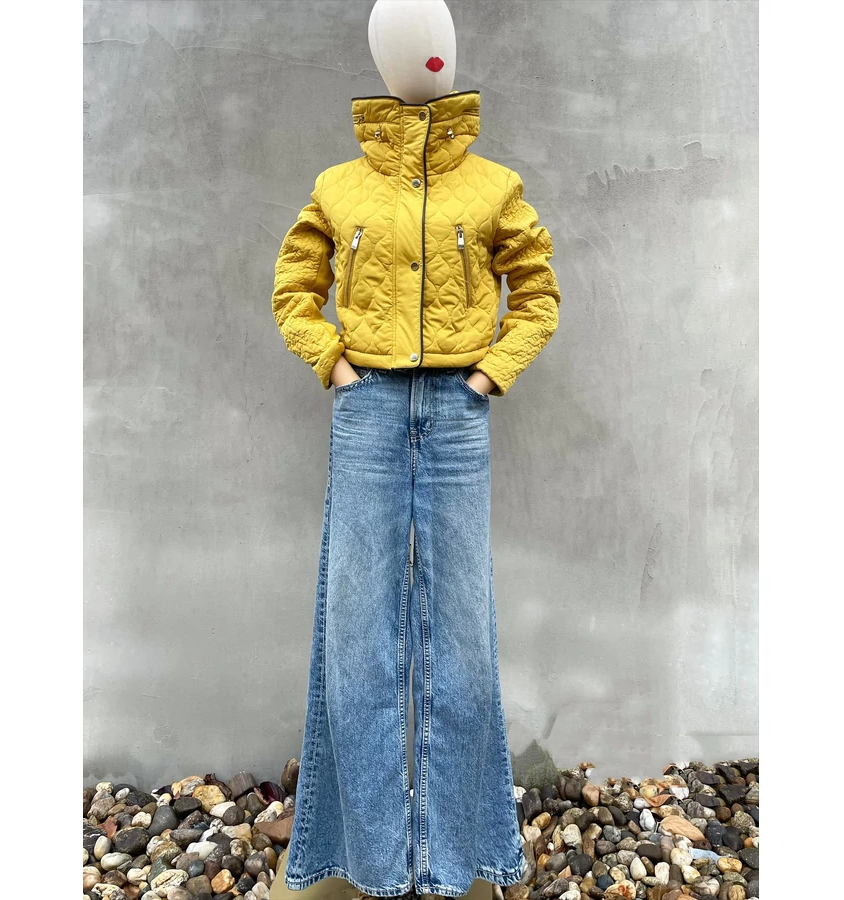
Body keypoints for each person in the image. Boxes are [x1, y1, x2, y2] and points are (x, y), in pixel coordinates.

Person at [270, 7, 561, 899]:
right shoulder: (338, 187)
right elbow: (294, 286)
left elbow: (538, 293)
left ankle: (456, 858)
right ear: (376, 58)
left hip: (456, 413)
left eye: (433, 36)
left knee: (462, 637)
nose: (425, 53)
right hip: (367, 410)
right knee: (357, 636)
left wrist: (488, 376)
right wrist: (334, 363)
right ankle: (365, 861)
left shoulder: (495, 187)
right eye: (400, 38)